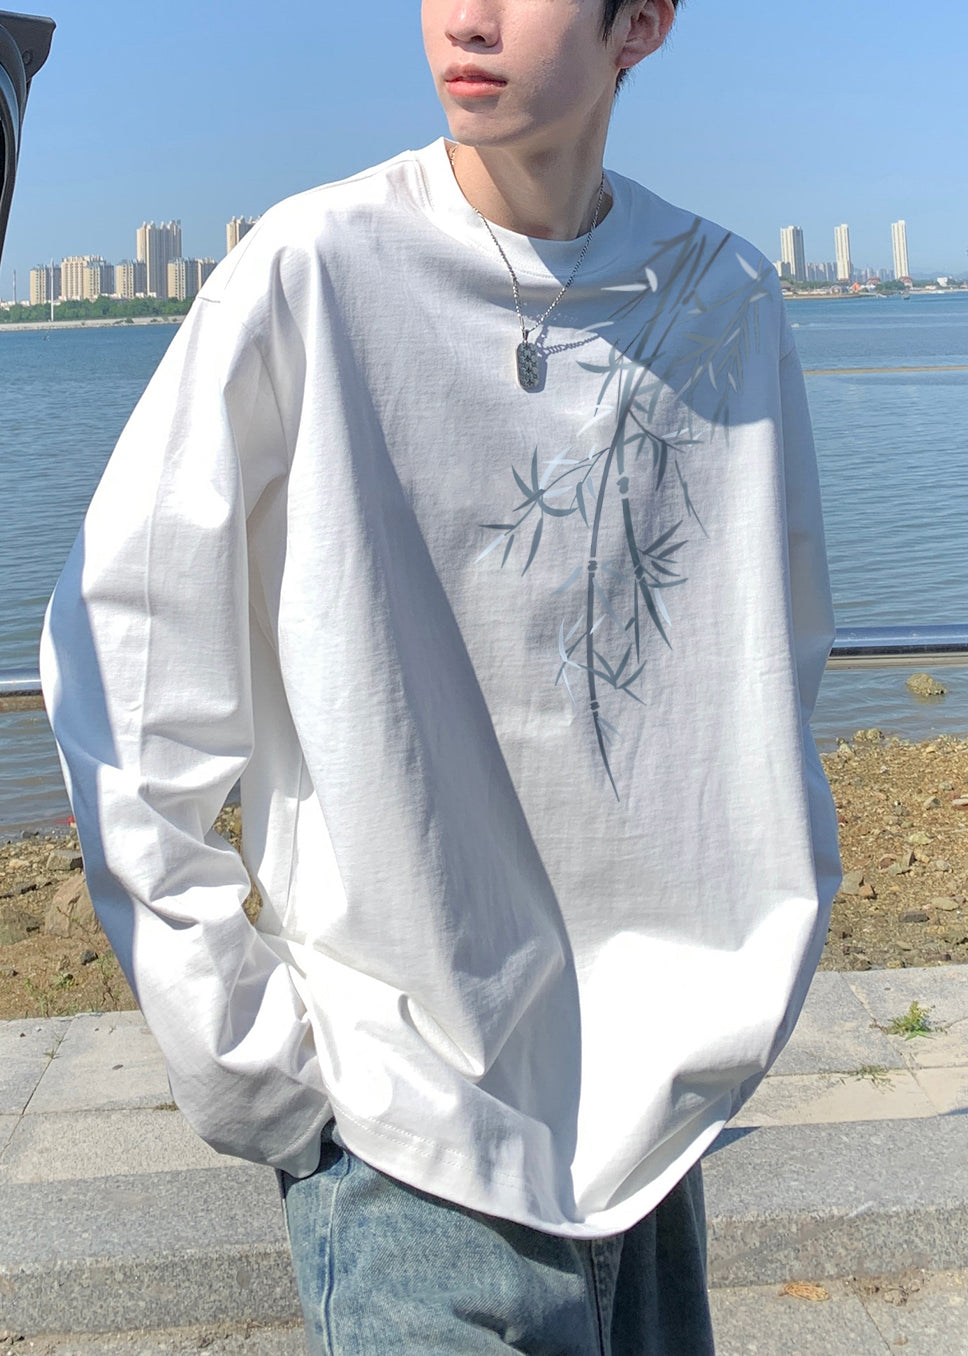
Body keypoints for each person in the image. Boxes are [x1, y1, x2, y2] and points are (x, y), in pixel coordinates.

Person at [40, 1, 841, 1351]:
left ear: (641, 23)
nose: (466, 17)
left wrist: (754, 964)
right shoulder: (313, 269)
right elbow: (125, 662)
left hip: (658, 1125)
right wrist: (253, 1063)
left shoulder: (725, 300)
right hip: (401, 1137)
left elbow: (772, 662)